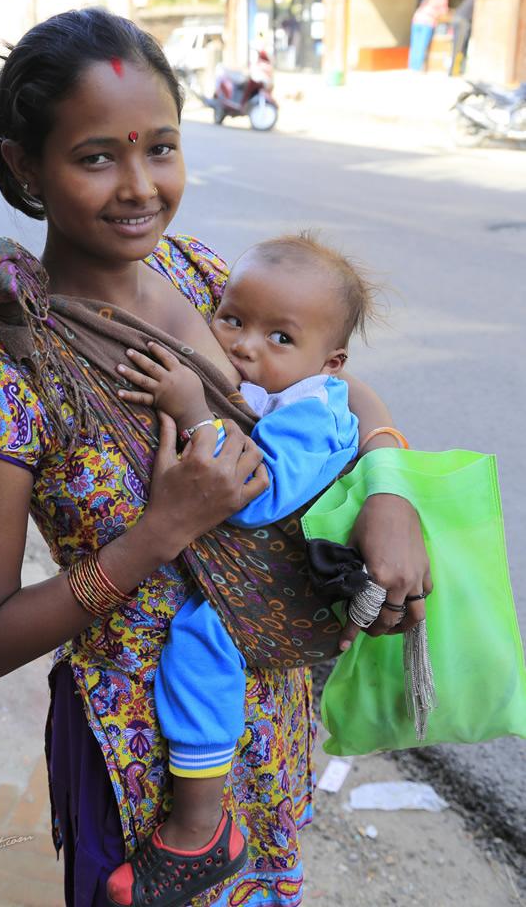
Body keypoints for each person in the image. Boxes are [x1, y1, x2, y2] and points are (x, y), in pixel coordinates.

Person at [0, 8, 431, 907]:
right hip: (144, 761)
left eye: (159, 147)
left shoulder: (206, 276)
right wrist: (159, 532)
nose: (140, 187)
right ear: (24, 165)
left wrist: (389, 486)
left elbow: (328, 387)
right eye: (96, 157)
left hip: (268, 703)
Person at [106, 233, 389, 906]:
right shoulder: (274, 388)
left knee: (202, 646)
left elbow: (254, 497)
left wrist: (193, 411)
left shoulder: (316, 412)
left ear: (331, 361)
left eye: (280, 337)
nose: (243, 345)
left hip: (275, 588)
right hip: (258, 578)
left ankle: (201, 826)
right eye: (231, 319)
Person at [408, 0, 450, 72]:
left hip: (417, 18)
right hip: (427, 21)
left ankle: (412, 67)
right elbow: (443, 11)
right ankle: (417, 69)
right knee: (422, 45)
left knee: (415, 44)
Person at [450, 0, 475, 76]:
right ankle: (455, 71)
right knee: (459, 47)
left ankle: (458, 70)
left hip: (458, 20)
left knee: (459, 46)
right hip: (462, 22)